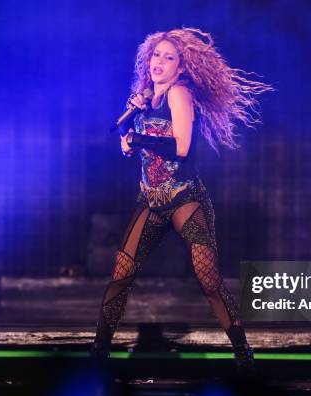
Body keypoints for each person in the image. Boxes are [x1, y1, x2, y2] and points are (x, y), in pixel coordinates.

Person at [91, 28, 272, 374]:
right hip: (150, 199)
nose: (159, 62)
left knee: (208, 279)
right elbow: (135, 145)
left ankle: (243, 352)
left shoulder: (180, 94)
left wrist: (139, 139)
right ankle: (98, 351)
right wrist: (127, 142)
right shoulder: (142, 99)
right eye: (156, 55)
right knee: (121, 274)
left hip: (184, 198)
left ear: (181, 68)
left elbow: (181, 147)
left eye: (168, 57)